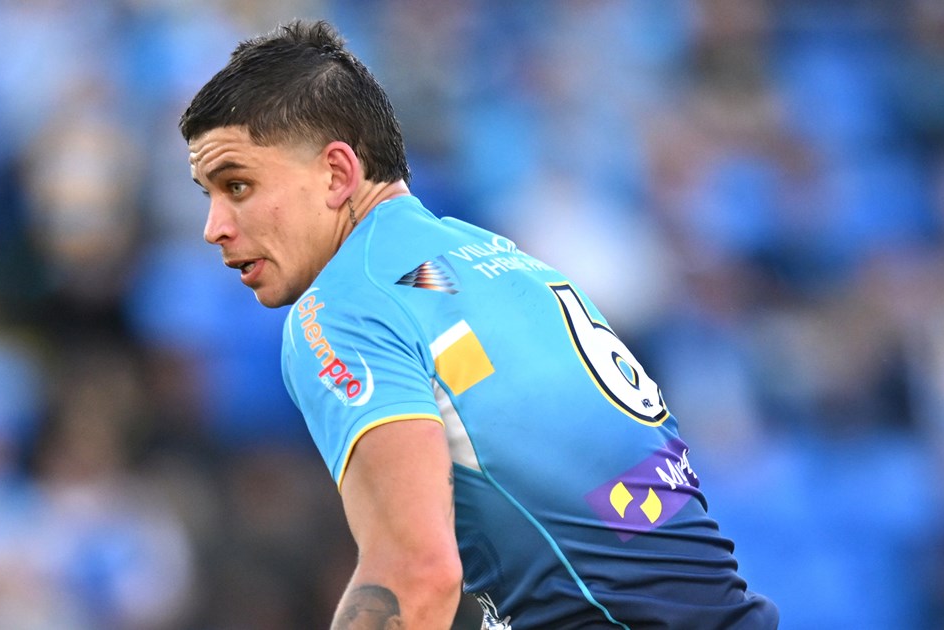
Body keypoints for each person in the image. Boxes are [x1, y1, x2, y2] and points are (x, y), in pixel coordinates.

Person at [181, 20, 779, 629]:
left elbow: (415, 576)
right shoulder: (508, 263)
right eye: (209, 195)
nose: (214, 228)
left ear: (337, 173)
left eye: (238, 186)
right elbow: (627, 528)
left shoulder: (341, 307)